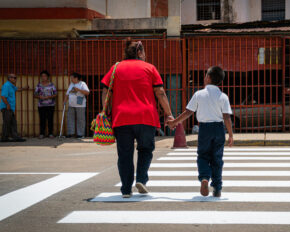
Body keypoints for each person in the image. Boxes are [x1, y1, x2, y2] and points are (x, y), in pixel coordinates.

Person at [101, 39, 174, 198]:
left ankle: (126, 189)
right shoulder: (150, 68)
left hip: (121, 118)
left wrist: (105, 111)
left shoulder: (116, 68)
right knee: (146, 149)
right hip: (145, 117)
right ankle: (141, 179)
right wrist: (168, 114)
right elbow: (160, 92)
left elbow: (106, 91)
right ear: (140, 52)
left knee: (125, 154)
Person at [167, 66, 234, 198]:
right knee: (217, 158)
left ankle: (204, 177)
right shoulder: (223, 96)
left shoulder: (199, 94)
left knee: (203, 155)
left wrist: (175, 122)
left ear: (208, 78)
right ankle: (217, 187)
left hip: (204, 129)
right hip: (219, 129)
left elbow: (188, 112)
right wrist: (230, 134)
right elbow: (227, 117)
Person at [0, 74, 27, 142]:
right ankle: (4, 138)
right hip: (7, 108)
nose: (15, 79)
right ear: (9, 78)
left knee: (13, 122)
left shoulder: (11, 86)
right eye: (14, 78)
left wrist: (24, 88)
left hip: (10, 108)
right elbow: (3, 96)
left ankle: (15, 137)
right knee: (7, 123)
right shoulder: (6, 86)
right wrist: (7, 104)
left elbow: (17, 89)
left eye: (16, 78)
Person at [63, 72, 89, 139]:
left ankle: (81, 134)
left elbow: (87, 92)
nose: (71, 79)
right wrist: (65, 101)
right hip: (71, 104)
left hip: (80, 105)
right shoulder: (71, 84)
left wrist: (79, 90)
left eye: (72, 78)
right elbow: (67, 93)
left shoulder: (82, 83)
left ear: (76, 78)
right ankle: (70, 133)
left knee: (80, 119)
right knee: (70, 118)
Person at [34, 70, 57, 139]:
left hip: (50, 105)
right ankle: (42, 133)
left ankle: (50, 133)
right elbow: (35, 94)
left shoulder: (51, 85)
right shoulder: (39, 85)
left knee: (50, 119)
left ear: (48, 77)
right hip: (41, 105)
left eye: (45, 76)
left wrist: (49, 97)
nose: (43, 77)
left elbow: (55, 94)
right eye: (42, 76)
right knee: (42, 119)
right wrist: (39, 97)